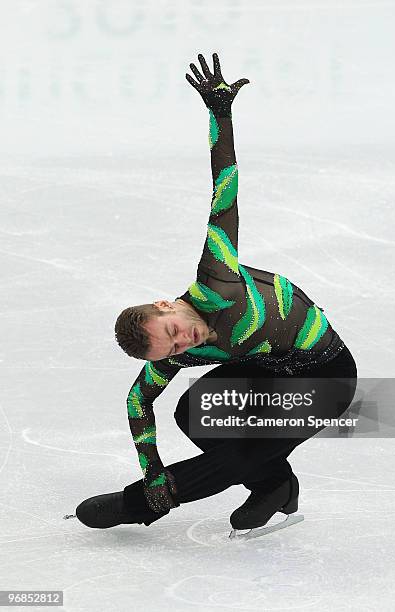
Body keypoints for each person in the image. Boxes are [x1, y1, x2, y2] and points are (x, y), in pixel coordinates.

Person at [75, 52, 357, 534]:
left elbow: (224, 189)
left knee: (238, 452)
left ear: (165, 304)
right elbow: (138, 402)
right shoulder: (175, 351)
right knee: (194, 411)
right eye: (175, 349)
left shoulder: (216, 280)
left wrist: (219, 114)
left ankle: (143, 503)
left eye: (175, 332)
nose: (185, 343)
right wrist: (151, 461)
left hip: (324, 378)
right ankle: (275, 485)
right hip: (269, 367)